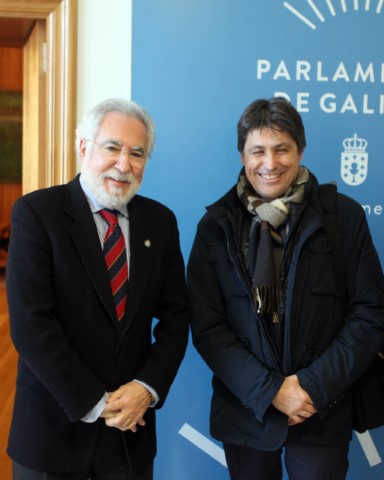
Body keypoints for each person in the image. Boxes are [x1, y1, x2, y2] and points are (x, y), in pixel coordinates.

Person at [187, 97, 384, 480]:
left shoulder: (343, 217)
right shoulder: (215, 226)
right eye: (257, 150)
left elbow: (369, 312)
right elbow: (208, 327)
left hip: (321, 410)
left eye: (282, 149)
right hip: (245, 412)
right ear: (242, 156)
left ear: (300, 150)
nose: (270, 163)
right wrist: (271, 391)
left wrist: (310, 387)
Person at [6, 98, 190, 480]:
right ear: (83, 147)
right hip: (52, 434)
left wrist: (147, 387)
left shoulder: (160, 222)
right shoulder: (37, 214)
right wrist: (96, 402)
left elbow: (176, 316)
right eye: (112, 148)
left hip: (130, 435)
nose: (124, 165)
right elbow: (30, 324)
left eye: (137, 153)